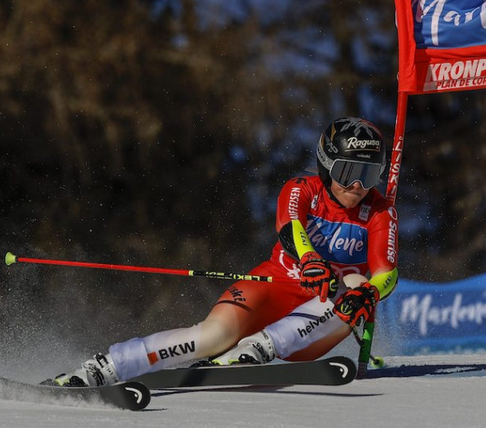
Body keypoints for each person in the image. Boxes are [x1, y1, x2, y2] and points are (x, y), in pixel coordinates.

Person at [44, 116, 399, 387]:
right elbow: (290, 226)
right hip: (272, 284)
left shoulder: (381, 211)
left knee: (354, 284)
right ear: (326, 165)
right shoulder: (301, 188)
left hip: (319, 319)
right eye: (348, 171)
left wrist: (370, 292)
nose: (357, 185)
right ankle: (104, 368)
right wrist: (309, 260)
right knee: (212, 336)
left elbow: (387, 272)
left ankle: (258, 347)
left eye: (369, 175)